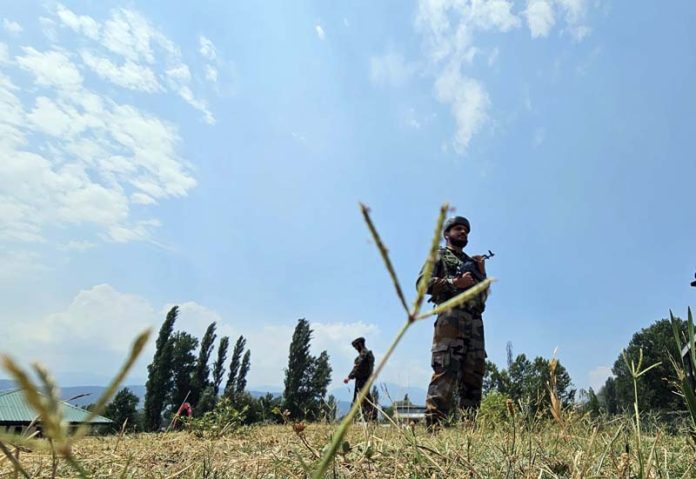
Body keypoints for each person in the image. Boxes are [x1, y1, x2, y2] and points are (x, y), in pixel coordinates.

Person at [416, 215, 489, 429]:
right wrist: (454, 282)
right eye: (458, 229)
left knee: (474, 377)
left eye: (466, 230)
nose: (463, 232)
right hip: (450, 320)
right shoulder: (438, 256)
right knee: (445, 372)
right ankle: (433, 429)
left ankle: (469, 432)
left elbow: (482, 299)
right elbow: (422, 284)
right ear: (447, 234)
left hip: (475, 323)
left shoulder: (471, 263)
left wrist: (481, 275)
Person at [343, 337, 377, 421]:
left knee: (361, 399)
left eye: (355, 347)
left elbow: (358, 367)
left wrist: (349, 377)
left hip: (362, 380)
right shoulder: (369, 354)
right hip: (367, 380)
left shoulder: (363, 354)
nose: (355, 349)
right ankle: (371, 417)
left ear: (360, 345)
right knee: (365, 399)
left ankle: (351, 419)